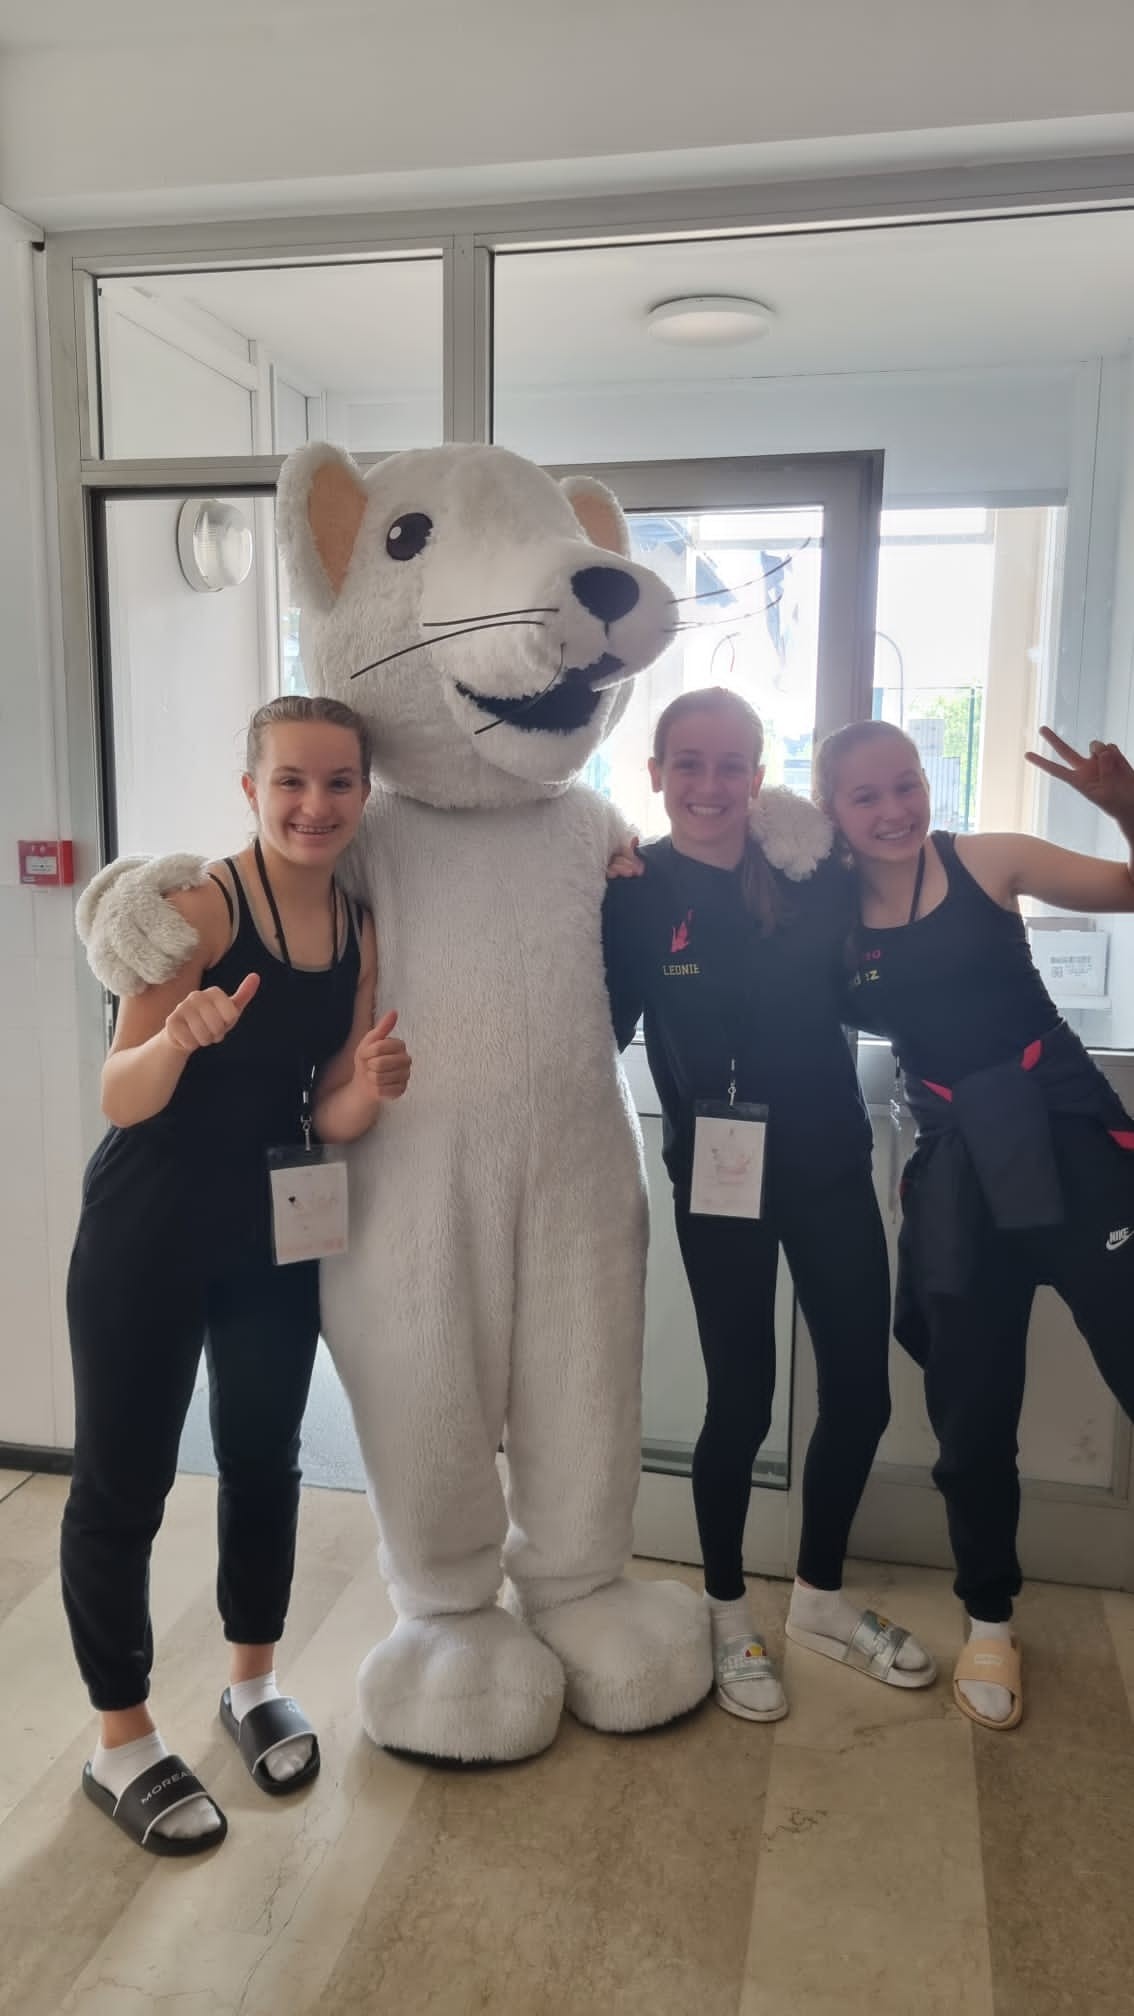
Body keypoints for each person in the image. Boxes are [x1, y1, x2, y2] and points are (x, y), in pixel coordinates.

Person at [62, 694, 411, 1854]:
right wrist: (174, 1038)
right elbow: (118, 1096)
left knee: (265, 1457)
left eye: (339, 783)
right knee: (127, 1482)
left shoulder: (357, 924)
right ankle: (121, 1741)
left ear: (365, 793)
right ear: (250, 789)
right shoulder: (198, 910)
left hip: (270, 1228)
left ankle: (252, 1682)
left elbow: (330, 1111)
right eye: (292, 782)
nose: (316, 805)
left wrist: (372, 1079)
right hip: (149, 1225)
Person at [602, 687, 935, 1722]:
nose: (711, 785)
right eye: (688, 764)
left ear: (759, 773)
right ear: (655, 773)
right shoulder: (630, 889)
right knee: (739, 1405)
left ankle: (822, 1601)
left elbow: (887, 959)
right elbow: (592, 1033)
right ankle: (725, 1608)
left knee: (862, 1395)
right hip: (718, 1176)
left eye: (733, 764)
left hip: (831, 1157)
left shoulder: (807, 872)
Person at [815, 718, 1134, 1730]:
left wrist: (1126, 808)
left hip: (1071, 1138)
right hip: (956, 1167)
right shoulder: (829, 916)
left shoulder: (988, 860)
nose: (894, 808)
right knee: (972, 1407)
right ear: (833, 813)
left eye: (905, 783)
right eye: (866, 796)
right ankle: (988, 1620)